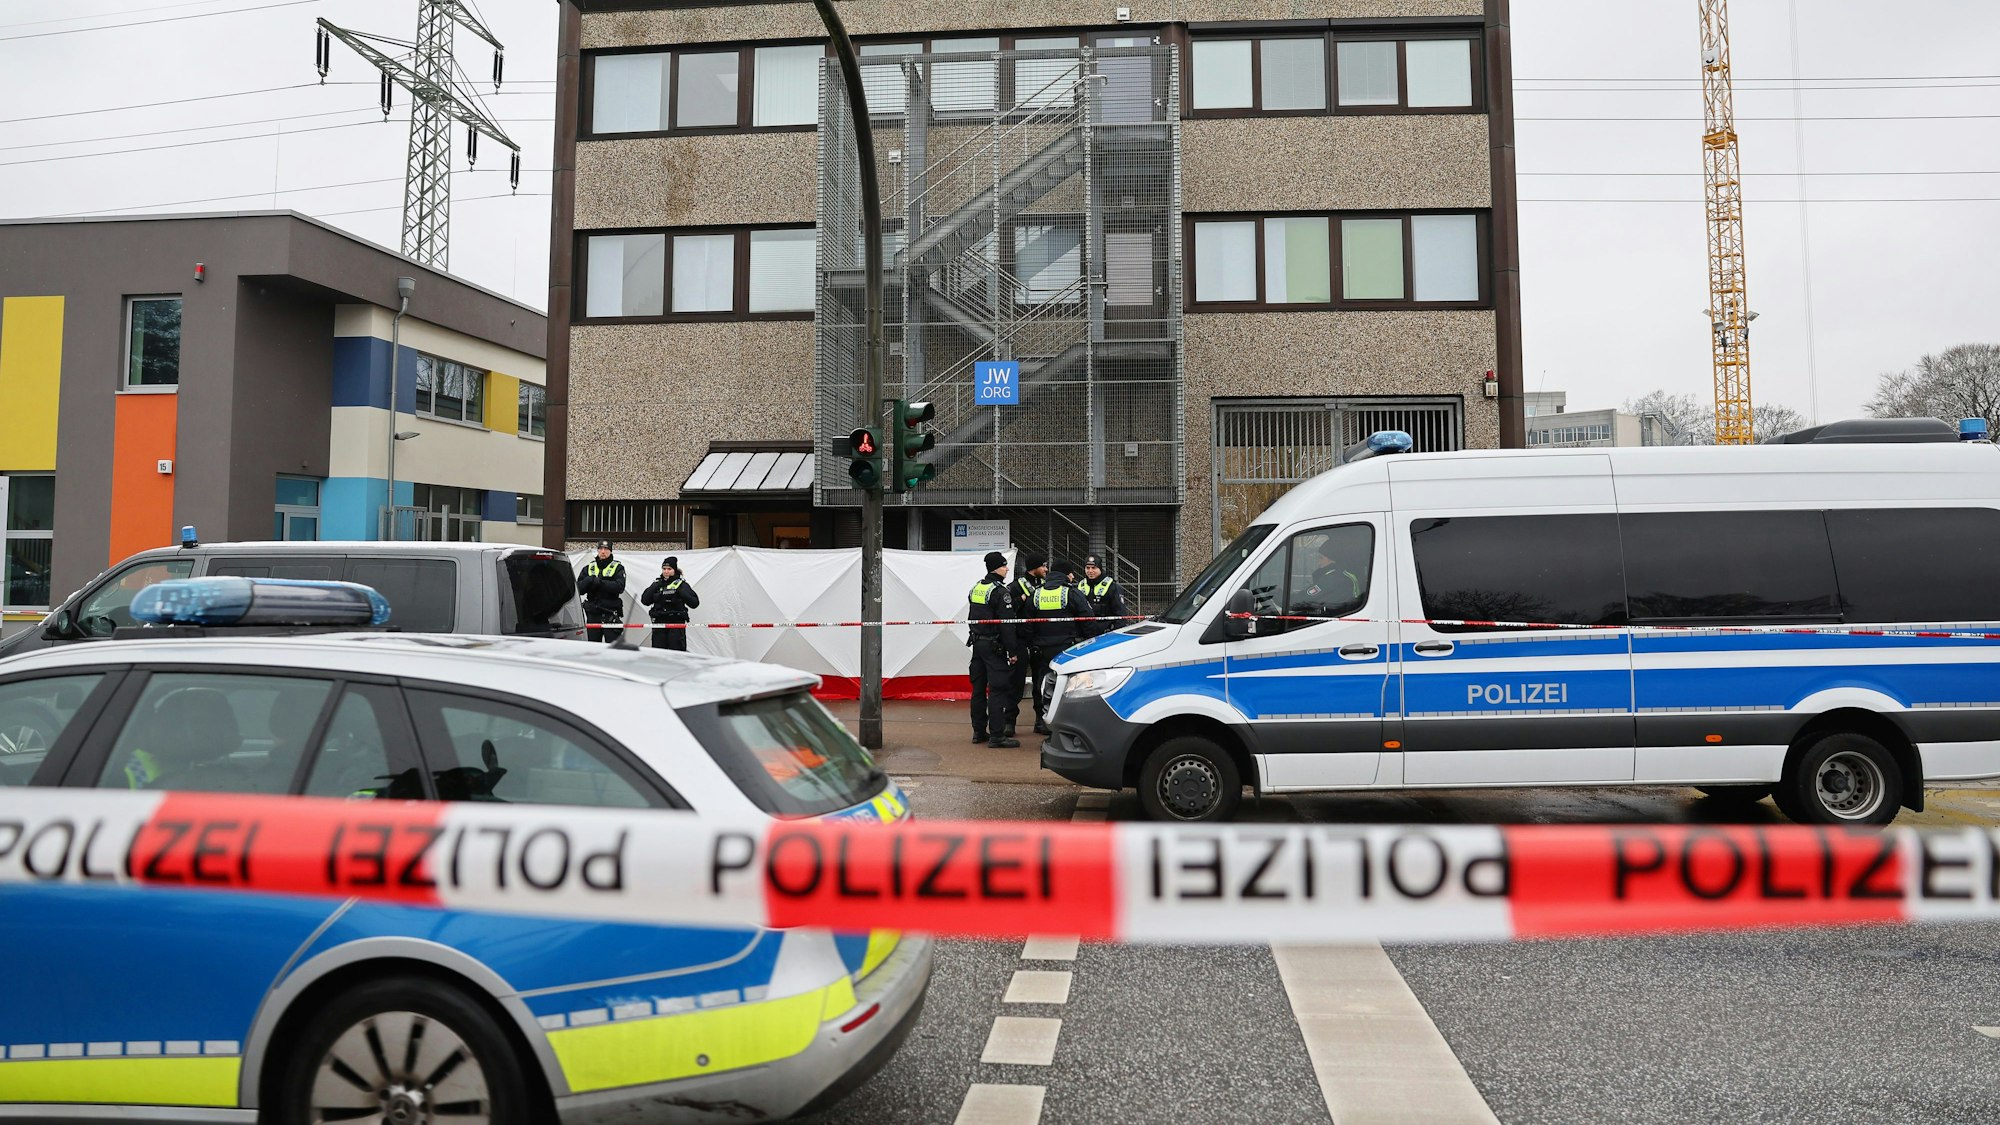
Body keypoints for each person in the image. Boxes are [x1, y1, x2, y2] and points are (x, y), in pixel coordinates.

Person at [966, 551, 1026, 748]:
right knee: (998, 689)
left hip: (977, 644)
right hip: (994, 646)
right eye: (1004, 565)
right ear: (996, 568)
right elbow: (1007, 625)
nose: (1007, 569)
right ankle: (997, 735)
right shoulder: (1000, 592)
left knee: (978, 689)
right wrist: (1013, 651)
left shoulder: (976, 588)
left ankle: (978, 732)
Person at [1026, 558, 1091, 735]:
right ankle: (1065, 723)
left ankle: (1041, 721)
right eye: (1071, 573)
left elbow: (1027, 624)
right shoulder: (1072, 593)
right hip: (1067, 649)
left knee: (1041, 684)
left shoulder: (1036, 594)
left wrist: (1032, 644)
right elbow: (1088, 621)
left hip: (1041, 649)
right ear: (1066, 574)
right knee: (1068, 686)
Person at [1005, 555, 1048, 737]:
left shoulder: (1046, 586)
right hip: (1020, 640)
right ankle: (1009, 723)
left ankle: (1040, 721)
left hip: (1038, 640)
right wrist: (1022, 598)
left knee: (1040, 683)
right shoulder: (1015, 586)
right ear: (1034, 567)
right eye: (1043, 566)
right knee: (1015, 683)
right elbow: (1007, 609)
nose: (1046, 569)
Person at [639, 557, 701, 652]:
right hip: (659, 624)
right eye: (664, 569)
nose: (666, 571)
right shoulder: (657, 584)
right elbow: (645, 601)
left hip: (676, 624)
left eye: (669, 569)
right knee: (658, 655)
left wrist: (680, 592)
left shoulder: (681, 584)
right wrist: (655, 586)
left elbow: (694, 603)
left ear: (674, 570)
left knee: (676, 655)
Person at [577, 541, 628, 643]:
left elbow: (619, 587)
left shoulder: (618, 568)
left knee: (613, 649)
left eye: (606, 549)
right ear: (597, 550)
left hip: (609, 613)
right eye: (600, 549)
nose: (603, 552)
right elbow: (578, 589)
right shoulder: (588, 568)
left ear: (610, 551)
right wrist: (588, 580)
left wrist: (600, 583)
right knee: (593, 648)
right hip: (593, 615)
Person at [1075, 554, 1128, 639]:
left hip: (1106, 635)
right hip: (1085, 635)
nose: (1090, 571)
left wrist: (1116, 636)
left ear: (1100, 568)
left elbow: (1121, 614)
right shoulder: (1080, 585)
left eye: (1094, 568)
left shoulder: (1112, 586)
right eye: (1087, 568)